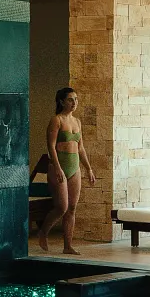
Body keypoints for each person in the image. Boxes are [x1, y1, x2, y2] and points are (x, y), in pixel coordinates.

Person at [39, 87, 100, 255]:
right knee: (62, 207)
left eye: (76, 99)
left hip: (74, 168)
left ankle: (68, 246)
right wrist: (57, 167)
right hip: (58, 167)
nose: (74, 103)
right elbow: (51, 146)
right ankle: (43, 231)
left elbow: (80, 148)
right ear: (61, 102)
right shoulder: (56, 120)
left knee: (72, 208)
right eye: (70, 100)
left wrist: (88, 169)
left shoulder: (77, 122)